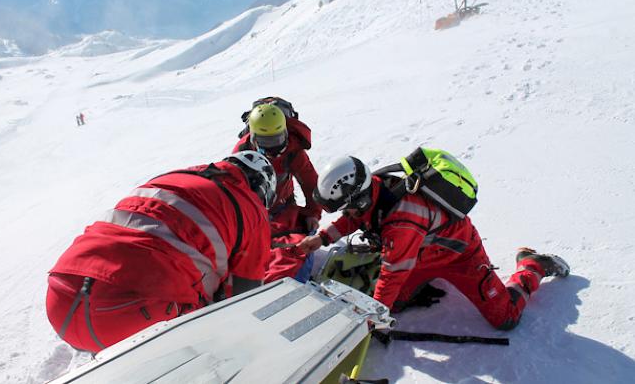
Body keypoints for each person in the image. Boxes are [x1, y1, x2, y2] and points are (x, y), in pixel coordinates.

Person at [299, 156, 570, 330]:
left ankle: (533, 266)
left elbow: (392, 275)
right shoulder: (375, 188)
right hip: (420, 253)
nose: (348, 214)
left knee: (505, 318)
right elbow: (356, 218)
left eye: (349, 208)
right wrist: (322, 238)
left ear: (359, 198)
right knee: (396, 303)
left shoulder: (402, 221)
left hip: (459, 256)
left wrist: (373, 318)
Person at [46, 151, 276, 352]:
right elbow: (246, 295)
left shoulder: (172, 178)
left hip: (62, 299)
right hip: (133, 314)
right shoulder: (252, 210)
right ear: (262, 188)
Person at [234, 98, 322, 282]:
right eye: (267, 141)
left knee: (297, 242)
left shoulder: (293, 151)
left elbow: (311, 184)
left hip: (283, 207)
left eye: (278, 139)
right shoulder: (241, 153)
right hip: (254, 212)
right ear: (254, 138)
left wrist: (313, 213)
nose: (274, 147)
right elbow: (234, 192)